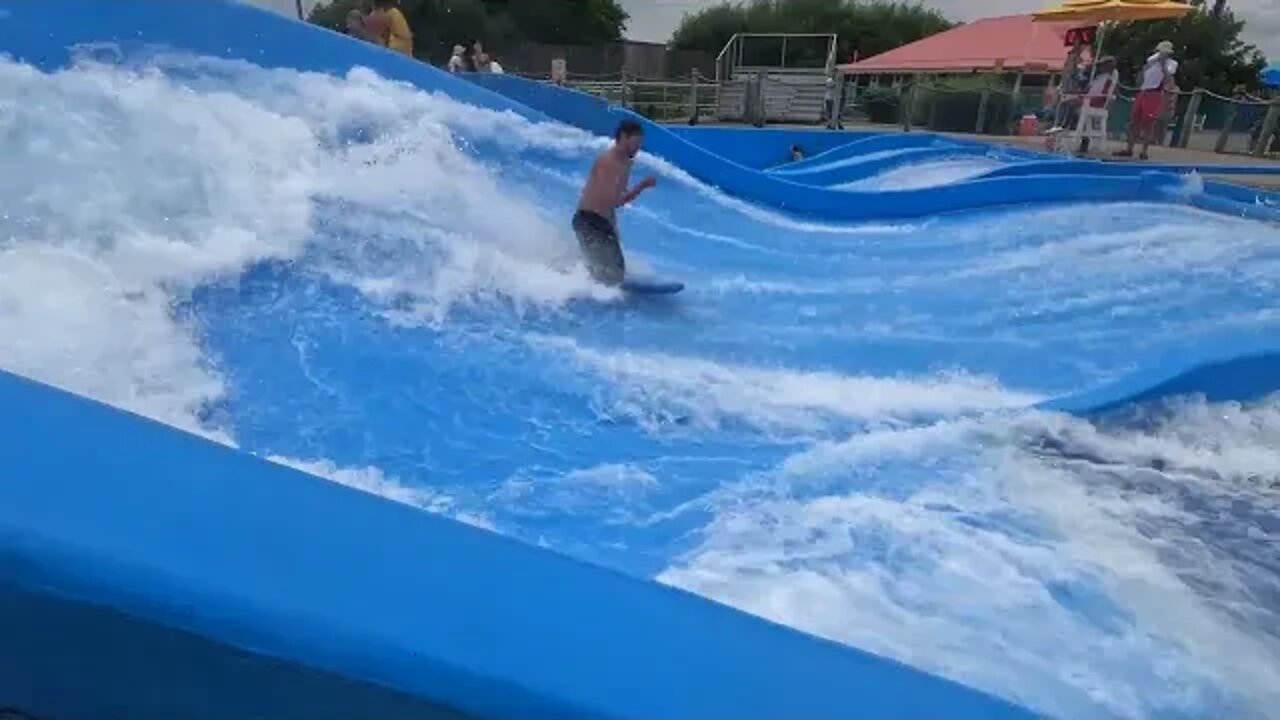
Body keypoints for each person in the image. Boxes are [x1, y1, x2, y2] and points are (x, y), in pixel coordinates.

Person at [573, 119, 657, 286]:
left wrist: (613, 230)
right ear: (624, 138)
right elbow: (613, 201)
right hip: (589, 222)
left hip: (598, 222)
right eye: (635, 143)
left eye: (640, 143)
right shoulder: (609, 162)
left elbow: (608, 206)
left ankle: (576, 276)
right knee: (612, 275)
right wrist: (641, 186)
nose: (638, 148)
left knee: (609, 272)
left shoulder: (625, 162)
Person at [1117, 40, 1177, 159]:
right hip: (1143, 91)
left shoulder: (1171, 64)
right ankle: (1129, 148)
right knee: (1134, 121)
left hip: (1155, 92)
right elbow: (1143, 74)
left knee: (1149, 123)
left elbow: (1167, 79)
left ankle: (1144, 151)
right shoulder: (1152, 61)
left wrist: (1163, 64)